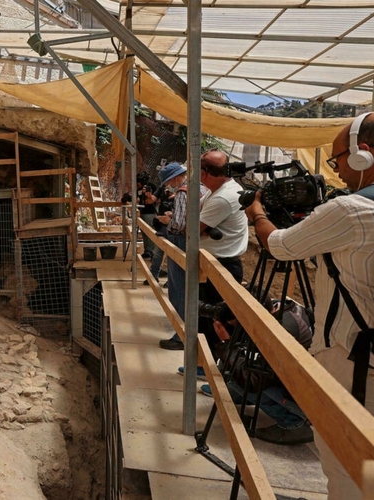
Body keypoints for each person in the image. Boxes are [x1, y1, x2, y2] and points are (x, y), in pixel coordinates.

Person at [245, 112, 374, 499]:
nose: (336, 172)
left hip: (353, 358)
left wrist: (259, 214)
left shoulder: (351, 211)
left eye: (337, 161)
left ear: (363, 154)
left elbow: (282, 247)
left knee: (348, 464)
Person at [200, 299, 315, 446]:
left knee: (235, 375)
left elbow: (254, 380)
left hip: (304, 394)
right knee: (235, 367)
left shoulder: (281, 331)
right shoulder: (276, 309)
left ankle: (293, 423)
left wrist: (226, 343)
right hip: (294, 378)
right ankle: (242, 395)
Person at [197, 150, 249, 355]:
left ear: (203, 173)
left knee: (219, 320)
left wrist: (200, 226)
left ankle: (218, 371)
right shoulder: (217, 191)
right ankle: (204, 365)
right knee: (206, 316)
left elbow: (190, 228)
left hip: (222, 266)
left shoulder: (224, 197)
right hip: (214, 264)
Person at [158, 162, 210, 350]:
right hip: (200, 243)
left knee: (179, 289)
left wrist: (167, 221)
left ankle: (181, 335)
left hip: (182, 242)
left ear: (174, 178)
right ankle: (191, 331)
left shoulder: (182, 192)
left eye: (168, 182)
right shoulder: (202, 188)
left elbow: (179, 224)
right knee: (193, 289)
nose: (168, 186)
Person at [120, 172, 158, 258]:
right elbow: (138, 199)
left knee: (150, 232)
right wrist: (130, 198)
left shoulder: (151, 186)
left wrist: (143, 199)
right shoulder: (139, 189)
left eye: (138, 182)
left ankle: (152, 251)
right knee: (144, 232)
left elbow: (150, 201)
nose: (137, 184)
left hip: (150, 212)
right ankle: (147, 250)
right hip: (142, 212)